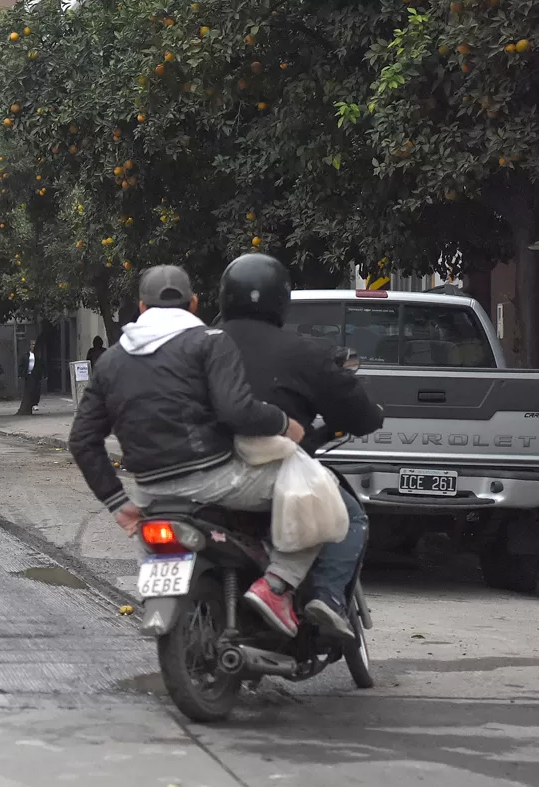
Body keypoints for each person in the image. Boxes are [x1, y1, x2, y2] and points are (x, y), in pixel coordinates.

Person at [69, 264, 312, 636]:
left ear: (142, 308)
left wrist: (118, 503)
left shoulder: (111, 361)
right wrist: (283, 424)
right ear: (194, 304)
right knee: (309, 490)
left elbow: (82, 439)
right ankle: (278, 583)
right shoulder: (210, 341)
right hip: (216, 481)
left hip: (151, 494)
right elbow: (237, 410)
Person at [220, 253, 385, 643]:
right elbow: (356, 412)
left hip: (195, 471)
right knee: (348, 516)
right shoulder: (304, 353)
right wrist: (369, 416)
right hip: (264, 472)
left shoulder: (196, 347)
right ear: (282, 299)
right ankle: (324, 596)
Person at [15, 338, 43, 415]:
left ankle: (35, 403)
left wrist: (43, 374)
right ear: (30, 346)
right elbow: (21, 365)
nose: (34, 346)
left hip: (35, 374)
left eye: (35, 345)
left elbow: (41, 365)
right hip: (28, 374)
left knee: (36, 389)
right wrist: (20, 374)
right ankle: (29, 405)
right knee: (29, 389)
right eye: (32, 345)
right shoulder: (26, 355)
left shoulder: (38, 355)